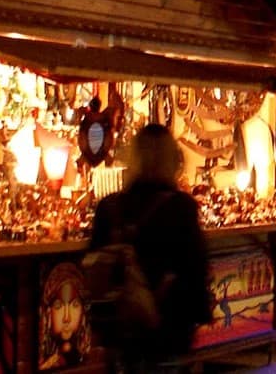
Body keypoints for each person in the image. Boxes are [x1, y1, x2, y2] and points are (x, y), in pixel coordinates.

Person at [85, 124, 210, 372]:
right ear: (172, 160)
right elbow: (195, 270)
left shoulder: (109, 207)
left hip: (119, 330)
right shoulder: (181, 208)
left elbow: (93, 263)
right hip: (165, 327)